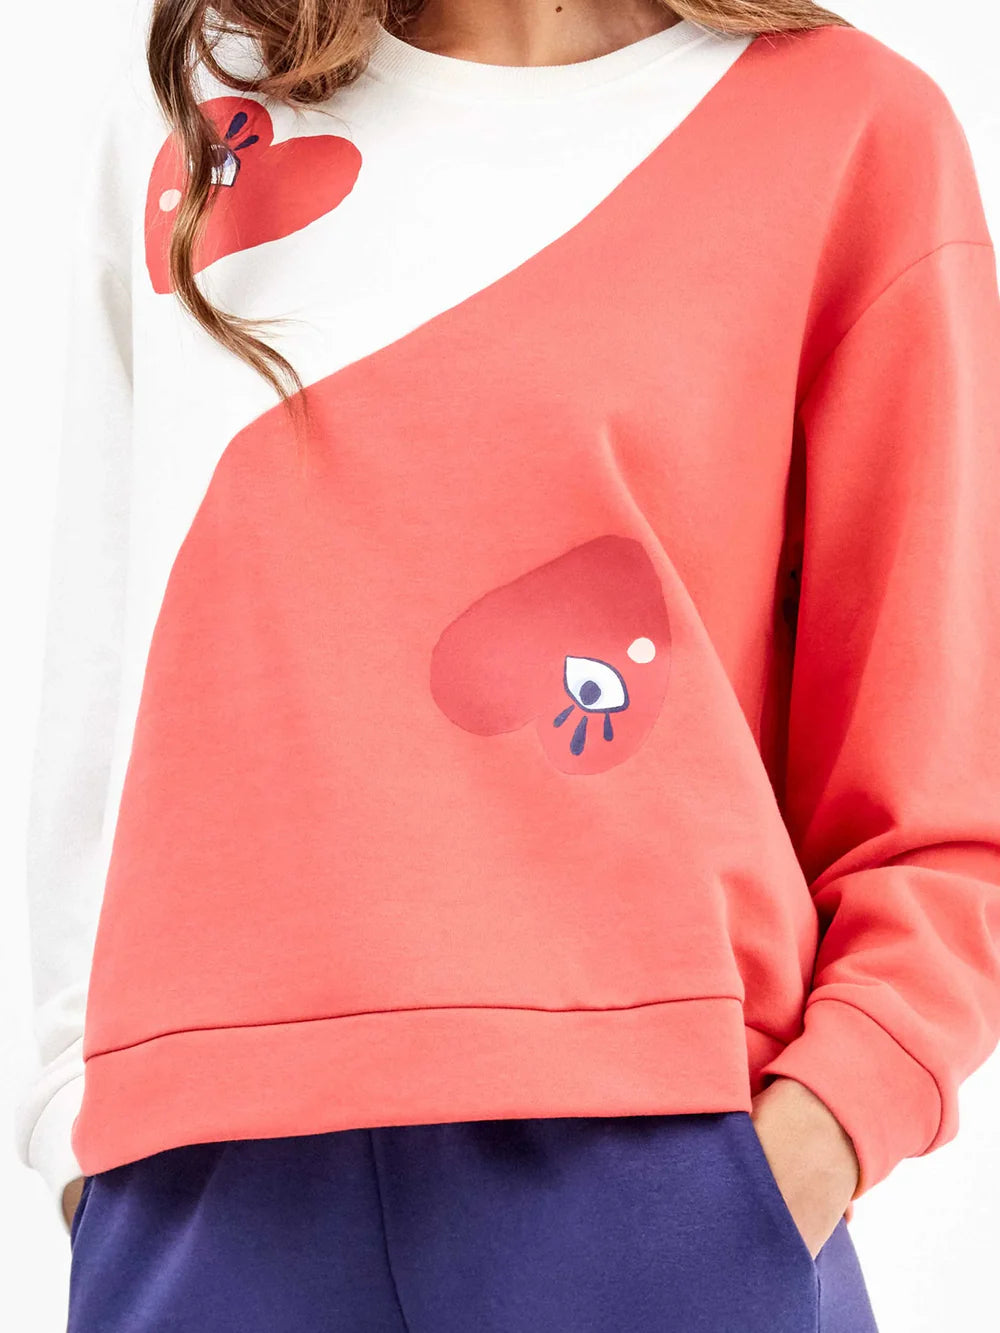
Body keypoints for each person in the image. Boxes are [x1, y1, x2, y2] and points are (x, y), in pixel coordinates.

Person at [16, 0, 1000, 1329]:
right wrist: (70, 1110)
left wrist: (818, 1136)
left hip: (658, 1171)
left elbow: (939, 774)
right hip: (202, 1180)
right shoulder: (199, 111)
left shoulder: (847, 130)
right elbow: (100, 653)